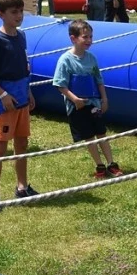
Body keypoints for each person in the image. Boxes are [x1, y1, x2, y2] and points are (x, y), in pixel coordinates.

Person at [0, 0, 38, 204]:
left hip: (22, 99)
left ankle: (22, 186)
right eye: (14, 12)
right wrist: (2, 95)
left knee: (21, 144)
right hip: (5, 103)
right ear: (1, 14)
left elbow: (24, 67)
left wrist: (29, 91)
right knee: (0, 148)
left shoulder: (21, 36)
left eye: (21, 11)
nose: (19, 15)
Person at [53, 20, 121, 180]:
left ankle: (111, 163)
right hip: (77, 106)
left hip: (94, 104)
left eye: (91, 37)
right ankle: (99, 164)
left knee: (101, 133)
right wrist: (74, 99)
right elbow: (59, 84)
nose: (89, 40)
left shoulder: (91, 58)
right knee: (89, 136)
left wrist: (104, 98)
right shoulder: (65, 60)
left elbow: (98, 80)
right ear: (73, 38)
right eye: (85, 37)